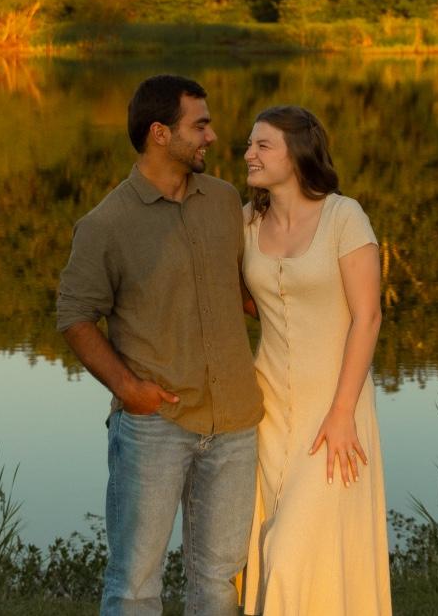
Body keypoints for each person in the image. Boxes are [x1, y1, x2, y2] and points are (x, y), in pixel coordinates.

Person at [56, 74, 264, 616]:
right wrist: (129, 390)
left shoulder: (223, 202)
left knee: (220, 583)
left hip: (236, 425)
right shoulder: (105, 224)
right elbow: (75, 316)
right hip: (155, 427)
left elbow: (247, 290)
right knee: (135, 586)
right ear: (159, 134)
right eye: (199, 125)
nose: (212, 137)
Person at [239, 105, 391, 615]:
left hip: (334, 411)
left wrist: (343, 411)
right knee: (264, 545)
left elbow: (367, 317)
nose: (248, 154)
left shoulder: (343, 217)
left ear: (297, 153)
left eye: (263, 145)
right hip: (268, 414)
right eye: (249, 144)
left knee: (290, 554)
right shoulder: (247, 221)